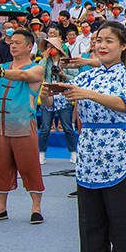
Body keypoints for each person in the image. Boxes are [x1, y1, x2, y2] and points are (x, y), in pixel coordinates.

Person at [65, 22, 126, 252]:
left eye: (109, 40)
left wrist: (87, 95)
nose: (101, 45)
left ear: (123, 46)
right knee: (90, 222)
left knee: (121, 223)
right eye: (98, 40)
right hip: (88, 152)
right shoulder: (87, 75)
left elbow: (123, 104)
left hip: (116, 151)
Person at [0, 29, 45, 224]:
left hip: (23, 125)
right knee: (0, 166)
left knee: (30, 166)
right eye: (11, 42)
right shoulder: (2, 66)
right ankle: (0, 208)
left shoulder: (36, 68)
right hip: (0, 126)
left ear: (30, 46)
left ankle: (36, 208)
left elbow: (22, 75)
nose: (12, 45)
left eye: (18, 43)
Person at [36, 36, 78, 164]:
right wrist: (44, 58)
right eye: (48, 47)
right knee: (45, 128)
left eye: (52, 47)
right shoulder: (45, 62)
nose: (50, 50)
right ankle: (42, 153)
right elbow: (39, 72)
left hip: (62, 95)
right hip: (48, 94)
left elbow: (75, 77)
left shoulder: (66, 61)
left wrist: (62, 74)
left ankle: (73, 152)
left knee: (67, 127)